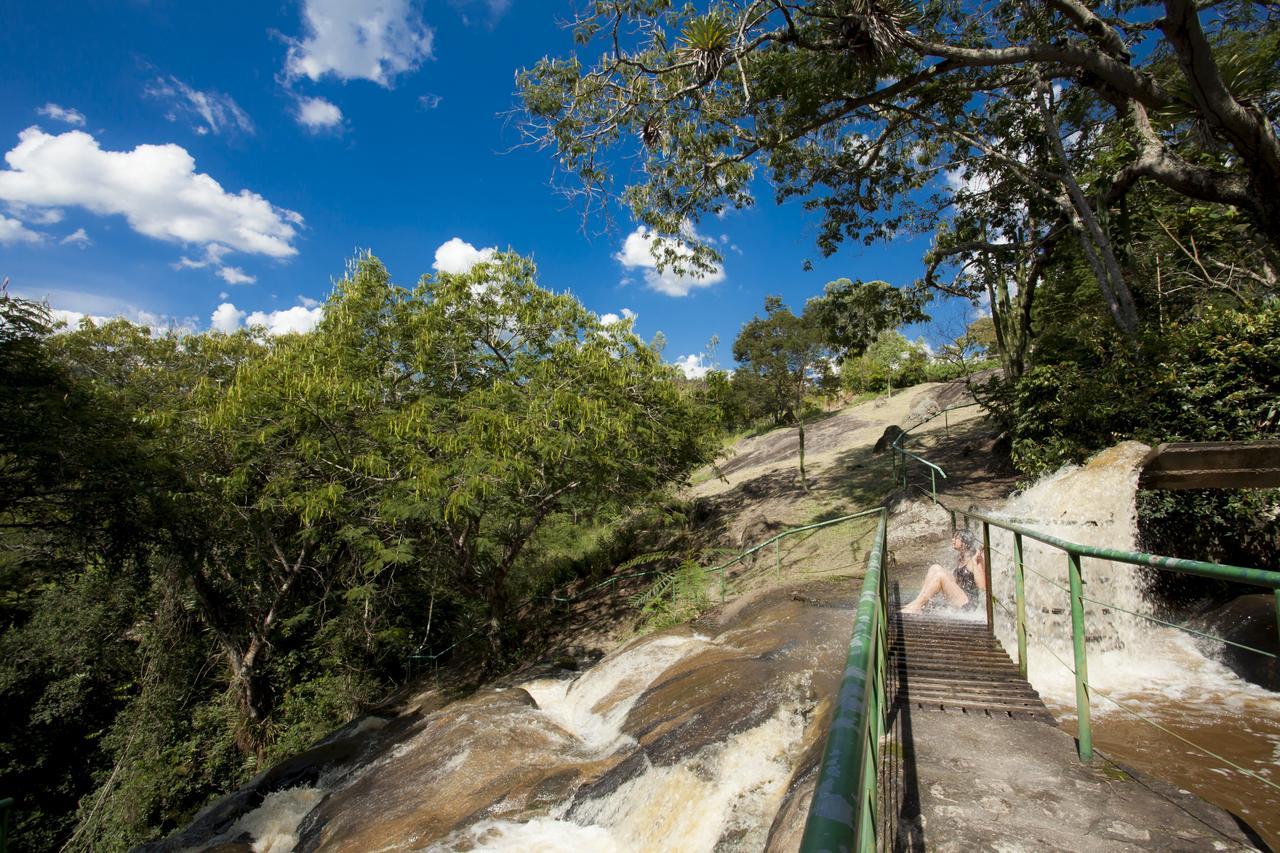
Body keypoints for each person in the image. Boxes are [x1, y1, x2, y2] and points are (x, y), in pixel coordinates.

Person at [899, 528, 986, 613]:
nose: (953, 540)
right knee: (935, 567)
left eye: (956, 538)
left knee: (940, 575)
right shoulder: (961, 558)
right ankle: (917, 602)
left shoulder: (975, 560)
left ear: (965, 542)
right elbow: (958, 583)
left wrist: (975, 562)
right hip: (961, 597)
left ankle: (917, 606)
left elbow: (982, 587)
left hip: (969, 605)